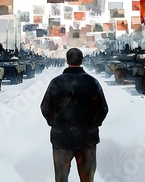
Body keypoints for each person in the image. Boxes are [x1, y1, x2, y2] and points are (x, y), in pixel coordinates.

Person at [41, 48, 108, 182]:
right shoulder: (92, 82)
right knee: (87, 178)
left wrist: (54, 124)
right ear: (82, 61)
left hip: (62, 139)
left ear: (67, 61)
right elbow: (103, 108)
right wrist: (94, 124)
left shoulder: (56, 82)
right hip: (87, 139)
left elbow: (45, 107)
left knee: (61, 178)